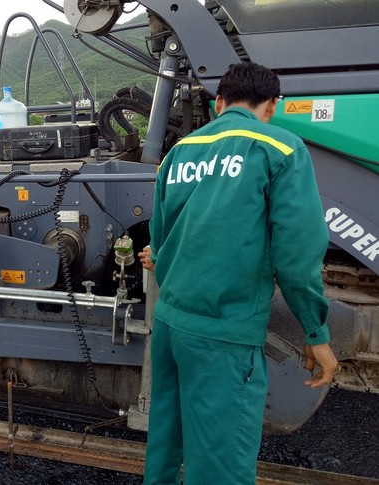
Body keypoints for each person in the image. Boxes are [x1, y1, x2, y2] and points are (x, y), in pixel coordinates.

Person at [138, 63, 337, 485]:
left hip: (171, 326)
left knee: (165, 449)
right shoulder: (281, 149)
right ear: (271, 106)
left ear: (219, 103)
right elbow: (296, 257)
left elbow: (159, 240)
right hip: (223, 335)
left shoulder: (180, 152)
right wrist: (315, 334)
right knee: (220, 467)